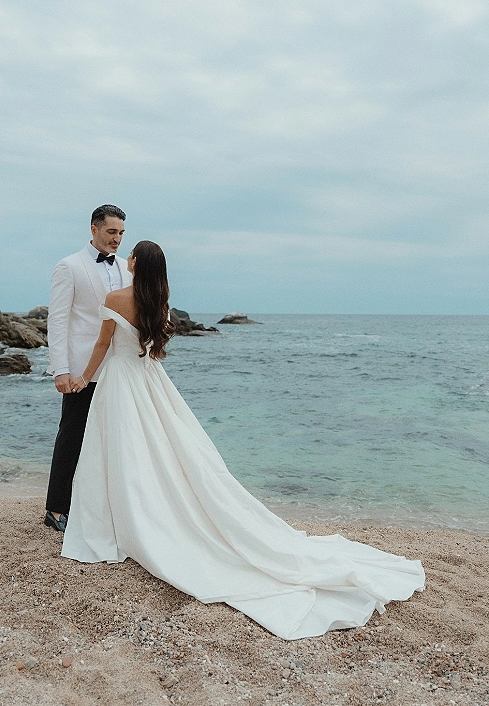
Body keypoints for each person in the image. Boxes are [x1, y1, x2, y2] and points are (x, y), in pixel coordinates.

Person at [61, 241, 425, 640]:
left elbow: (101, 344)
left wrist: (82, 376)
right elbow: (154, 352)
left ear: (134, 263)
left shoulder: (116, 297)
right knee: (163, 449)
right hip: (150, 381)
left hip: (120, 381)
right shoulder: (161, 304)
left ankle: (120, 518)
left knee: (122, 450)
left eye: (130, 253)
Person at [44, 204, 132, 532]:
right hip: (82, 368)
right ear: (93, 229)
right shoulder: (69, 266)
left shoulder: (127, 267)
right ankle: (56, 509)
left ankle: (101, 506)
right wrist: (60, 369)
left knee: (114, 437)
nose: (117, 239)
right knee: (72, 435)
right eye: (111, 232)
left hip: (120, 367)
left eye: (121, 233)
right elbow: (58, 320)